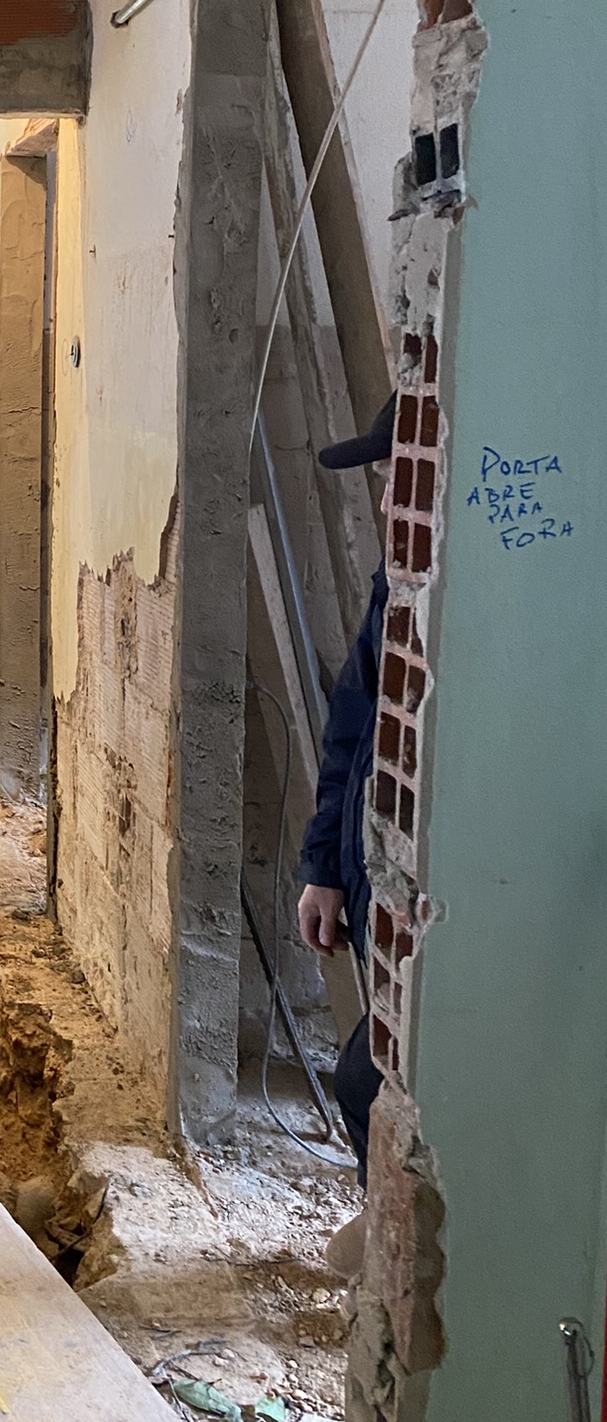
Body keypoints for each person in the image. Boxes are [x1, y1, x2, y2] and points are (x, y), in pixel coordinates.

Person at [295, 392, 396, 1280]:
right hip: (369, 888)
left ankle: (400, 1257)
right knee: (367, 1075)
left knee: (366, 1079)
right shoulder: (396, 588)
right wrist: (325, 867)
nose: (387, 495)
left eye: (398, 472)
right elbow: (351, 730)